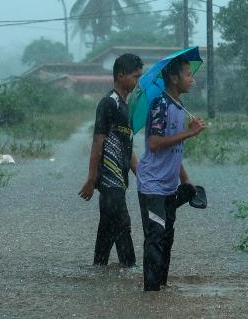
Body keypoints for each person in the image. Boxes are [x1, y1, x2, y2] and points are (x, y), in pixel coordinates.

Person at [136, 56, 206, 291]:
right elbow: (155, 143)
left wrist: (185, 179)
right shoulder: (160, 105)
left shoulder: (178, 107)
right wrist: (190, 133)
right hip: (152, 185)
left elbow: (174, 152)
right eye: (188, 74)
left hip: (169, 186)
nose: (192, 80)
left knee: (167, 238)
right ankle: (151, 295)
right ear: (174, 78)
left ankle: (161, 292)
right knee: (155, 238)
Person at [79, 53, 143, 268]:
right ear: (121, 75)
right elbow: (98, 141)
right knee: (123, 225)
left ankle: (98, 272)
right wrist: (91, 178)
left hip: (120, 181)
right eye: (135, 76)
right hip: (109, 181)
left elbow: (128, 149)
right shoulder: (108, 103)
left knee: (106, 230)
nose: (137, 82)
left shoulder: (126, 108)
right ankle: (132, 271)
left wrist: (142, 176)